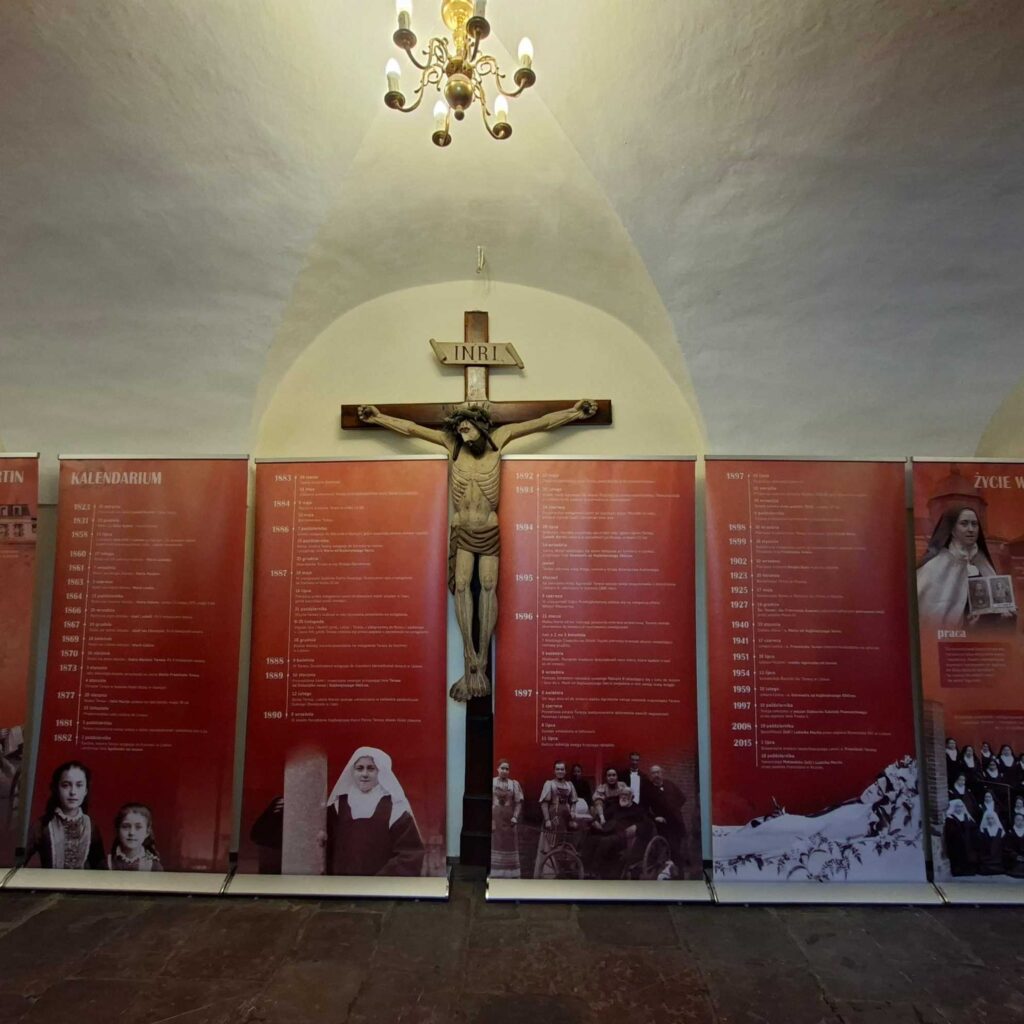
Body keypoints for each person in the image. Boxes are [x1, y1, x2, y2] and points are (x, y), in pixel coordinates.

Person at [358, 399, 597, 701]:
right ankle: (469, 659)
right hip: (462, 528)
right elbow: (412, 429)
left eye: (466, 427)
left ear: (481, 427)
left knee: (487, 586)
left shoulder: (500, 438)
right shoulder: (453, 445)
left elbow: (541, 424)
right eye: (459, 428)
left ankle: (481, 660)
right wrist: (379, 418)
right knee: (460, 586)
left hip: (488, 527)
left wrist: (574, 413)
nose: (462, 431)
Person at [324, 747, 424, 876]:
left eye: (371, 768)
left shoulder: (395, 808)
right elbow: (326, 850)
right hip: (343, 884)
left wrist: (378, 882)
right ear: (352, 771)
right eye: (359, 768)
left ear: (381, 772)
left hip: (380, 885)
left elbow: (410, 856)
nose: (364, 774)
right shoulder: (338, 806)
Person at [916, 506, 1001, 629]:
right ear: (952, 529)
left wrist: (1003, 614)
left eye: (974, 524)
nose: (971, 529)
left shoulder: (982, 561)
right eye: (964, 524)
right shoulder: (934, 567)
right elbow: (930, 620)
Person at [25, 761, 106, 870]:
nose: (73, 792)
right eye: (66, 785)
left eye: (79, 785)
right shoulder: (42, 826)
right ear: (56, 788)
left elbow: (100, 870)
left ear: (86, 790)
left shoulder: (91, 827)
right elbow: (16, 865)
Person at [534, 761, 578, 878]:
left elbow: (573, 801)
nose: (560, 771)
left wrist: (573, 812)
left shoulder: (569, 785)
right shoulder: (549, 784)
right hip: (553, 816)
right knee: (551, 842)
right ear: (554, 771)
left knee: (564, 842)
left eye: (562, 769)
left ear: (565, 771)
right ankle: (549, 873)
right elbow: (544, 804)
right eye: (557, 769)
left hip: (565, 817)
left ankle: (564, 871)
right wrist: (547, 819)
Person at [643, 764, 687, 869]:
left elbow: (682, 798)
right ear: (651, 775)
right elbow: (644, 809)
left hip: (677, 822)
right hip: (664, 824)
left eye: (658, 772)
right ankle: (674, 871)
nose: (656, 775)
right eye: (653, 773)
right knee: (672, 848)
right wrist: (655, 817)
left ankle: (677, 871)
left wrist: (674, 809)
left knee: (679, 847)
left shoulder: (669, 784)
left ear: (662, 773)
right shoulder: (648, 790)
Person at [490, 759, 523, 879]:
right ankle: (495, 873)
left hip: (509, 819)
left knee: (509, 844)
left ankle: (510, 873)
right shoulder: (492, 782)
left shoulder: (513, 784)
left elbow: (518, 803)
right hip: (495, 817)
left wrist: (515, 816)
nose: (504, 771)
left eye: (507, 769)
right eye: (502, 768)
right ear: (497, 769)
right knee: (495, 842)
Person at [108, 803, 163, 872]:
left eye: (138, 827)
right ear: (117, 830)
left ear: (147, 832)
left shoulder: (154, 866)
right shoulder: (107, 864)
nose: (132, 833)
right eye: (126, 826)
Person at [943, 799, 978, 877]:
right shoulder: (950, 818)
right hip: (956, 843)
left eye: (961, 806)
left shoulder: (966, 816)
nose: (960, 808)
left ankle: (969, 870)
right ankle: (959, 871)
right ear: (954, 808)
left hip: (968, 842)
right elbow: (950, 832)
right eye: (957, 807)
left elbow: (974, 828)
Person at [977, 795, 1006, 875]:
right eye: (988, 818)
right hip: (987, 860)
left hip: (998, 860)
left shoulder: (1001, 831)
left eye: (992, 818)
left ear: (995, 819)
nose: (990, 820)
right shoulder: (983, 831)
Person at [1004, 812, 1024, 878]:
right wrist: (1015, 856)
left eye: (1022, 820)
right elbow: (1007, 848)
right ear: (1014, 821)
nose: (1020, 822)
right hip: (1014, 858)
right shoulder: (1010, 833)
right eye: (1018, 820)